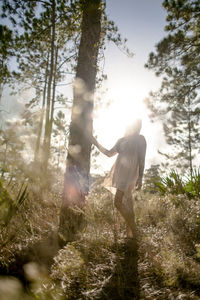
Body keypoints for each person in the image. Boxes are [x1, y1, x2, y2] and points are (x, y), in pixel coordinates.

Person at [91, 119, 146, 238]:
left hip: (130, 174)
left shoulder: (140, 139)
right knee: (127, 203)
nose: (136, 127)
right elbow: (109, 153)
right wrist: (96, 143)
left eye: (137, 125)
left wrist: (140, 177)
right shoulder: (121, 140)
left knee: (118, 202)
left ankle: (133, 228)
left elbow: (142, 159)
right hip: (120, 174)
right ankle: (132, 236)